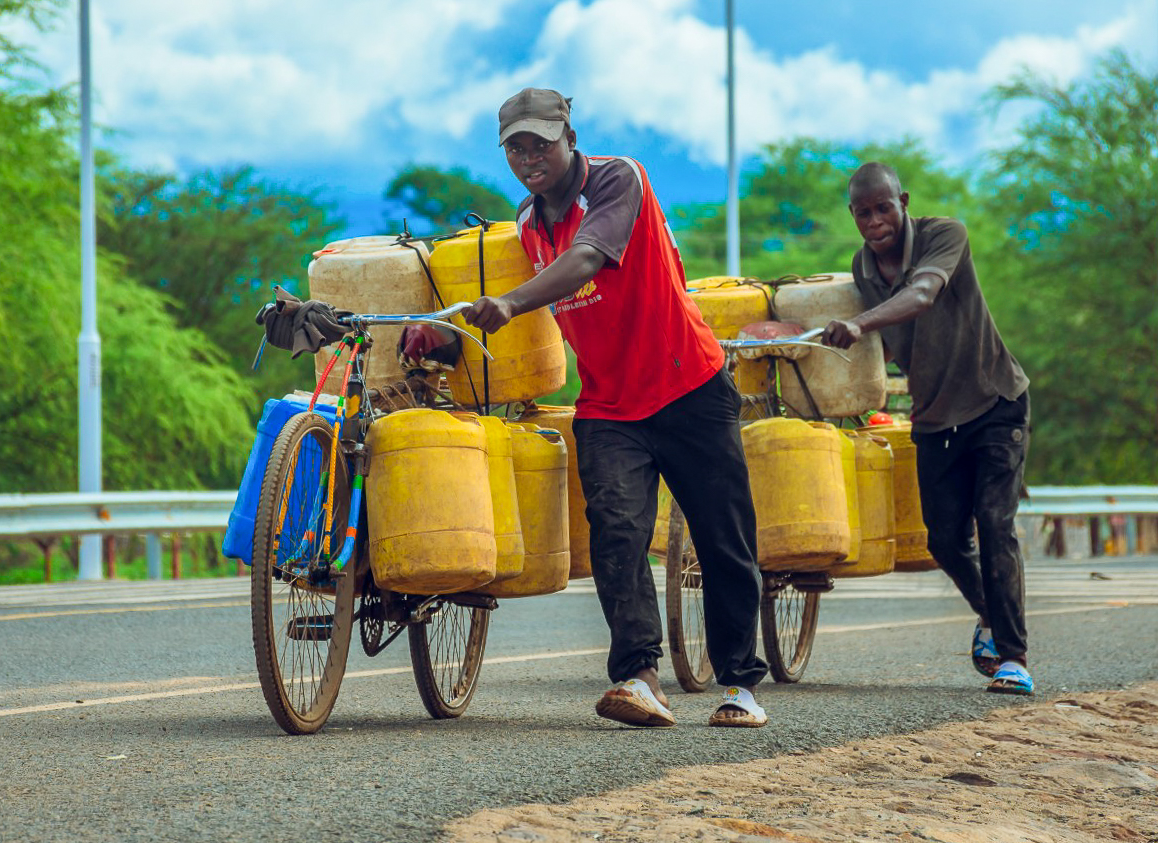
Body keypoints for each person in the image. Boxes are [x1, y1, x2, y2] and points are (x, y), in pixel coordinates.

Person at [429, 87, 768, 727]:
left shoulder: (619, 180)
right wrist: (447, 334)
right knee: (617, 535)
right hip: (610, 404)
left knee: (724, 541)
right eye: (516, 148)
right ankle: (639, 679)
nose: (530, 157)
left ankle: (740, 686)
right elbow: (510, 302)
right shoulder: (527, 224)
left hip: (689, 386)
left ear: (570, 139)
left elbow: (587, 259)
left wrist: (507, 306)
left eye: (541, 143)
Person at [821, 162, 1034, 696]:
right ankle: (992, 613)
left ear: (904, 201)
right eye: (863, 212)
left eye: (883, 207)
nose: (875, 220)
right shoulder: (863, 268)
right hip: (934, 417)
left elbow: (922, 295)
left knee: (993, 521)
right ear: (853, 215)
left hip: (994, 402)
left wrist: (858, 325)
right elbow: (892, 345)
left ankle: (1013, 656)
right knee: (942, 539)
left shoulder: (945, 235)